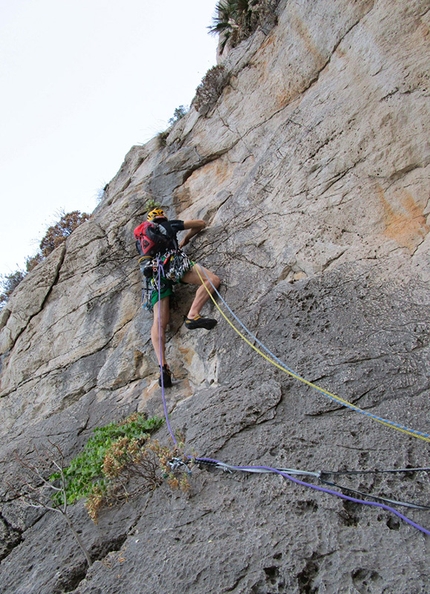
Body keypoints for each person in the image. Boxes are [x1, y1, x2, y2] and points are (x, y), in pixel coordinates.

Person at [137, 208, 220, 388]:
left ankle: (162, 366)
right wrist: (185, 239)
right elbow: (200, 224)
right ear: (162, 217)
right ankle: (193, 315)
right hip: (173, 264)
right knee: (212, 280)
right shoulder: (168, 225)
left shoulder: (143, 239)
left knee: (159, 321)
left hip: (155, 276)